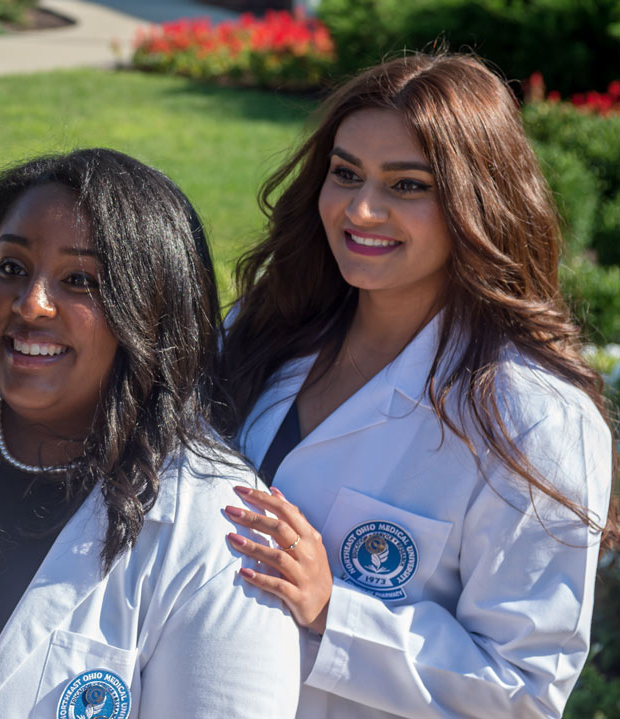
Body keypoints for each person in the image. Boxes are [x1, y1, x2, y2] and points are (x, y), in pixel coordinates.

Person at [217, 53, 617, 717]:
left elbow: (524, 688)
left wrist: (334, 609)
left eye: (407, 185)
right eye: (346, 174)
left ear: (476, 202)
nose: (361, 208)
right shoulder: (264, 329)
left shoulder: (535, 422)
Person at [0, 149, 301, 718]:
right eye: (10, 267)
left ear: (154, 312)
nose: (31, 304)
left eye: (80, 280)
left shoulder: (219, 529)